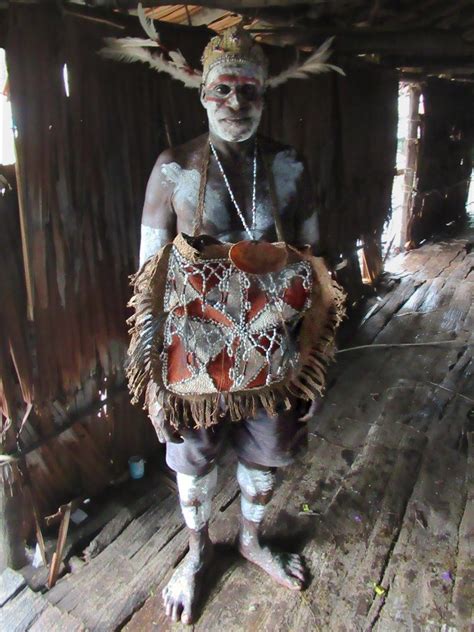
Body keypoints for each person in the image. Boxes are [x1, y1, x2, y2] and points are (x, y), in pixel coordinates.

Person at [136, 26, 326, 625]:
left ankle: (249, 538)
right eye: (224, 88)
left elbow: (316, 272)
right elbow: (148, 282)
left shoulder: (289, 168)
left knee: (266, 452)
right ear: (202, 93)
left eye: (250, 89)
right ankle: (195, 553)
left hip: (272, 350)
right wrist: (154, 380)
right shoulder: (173, 172)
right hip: (192, 354)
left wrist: (316, 358)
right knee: (193, 460)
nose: (237, 102)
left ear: (266, 94)